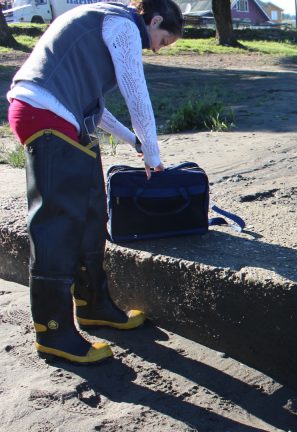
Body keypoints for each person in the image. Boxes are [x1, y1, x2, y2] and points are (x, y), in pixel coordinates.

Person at [6, 0, 183, 363]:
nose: (155, 49)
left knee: (90, 212)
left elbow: (95, 107)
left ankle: (94, 305)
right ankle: (53, 331)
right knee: (57, 224)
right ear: (155, 20)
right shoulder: (121, 25)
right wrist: (152, 152)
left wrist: (132, 141)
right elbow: (137, 90)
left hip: (58, 114)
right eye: (162, 41)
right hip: (44, 113)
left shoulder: (105, 21)